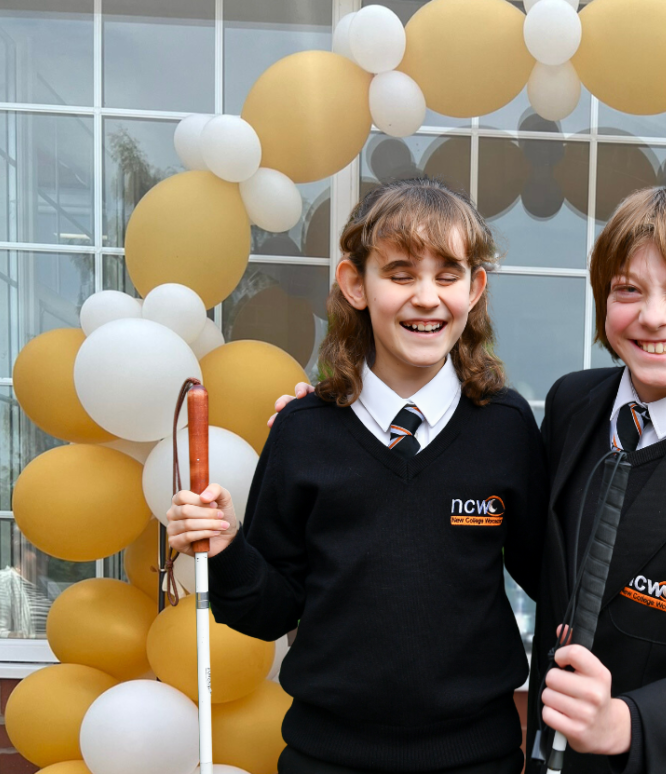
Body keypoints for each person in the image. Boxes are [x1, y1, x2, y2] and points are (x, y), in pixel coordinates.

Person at [274, 186, 666, 774]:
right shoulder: (574, 405)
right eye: (628, 290)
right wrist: (337, 426)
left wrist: (625, 722)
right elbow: (518, 545)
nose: (653, 316)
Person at [166, 177, 548, 774]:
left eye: (448, 275)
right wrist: (227, 549)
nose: (427, 298)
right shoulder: (302, 430)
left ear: (474, 289)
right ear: (355, 285)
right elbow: (270, 610)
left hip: (477, 756)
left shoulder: (506, 425)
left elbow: (551, 575)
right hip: (327, 757)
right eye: (400, 274)